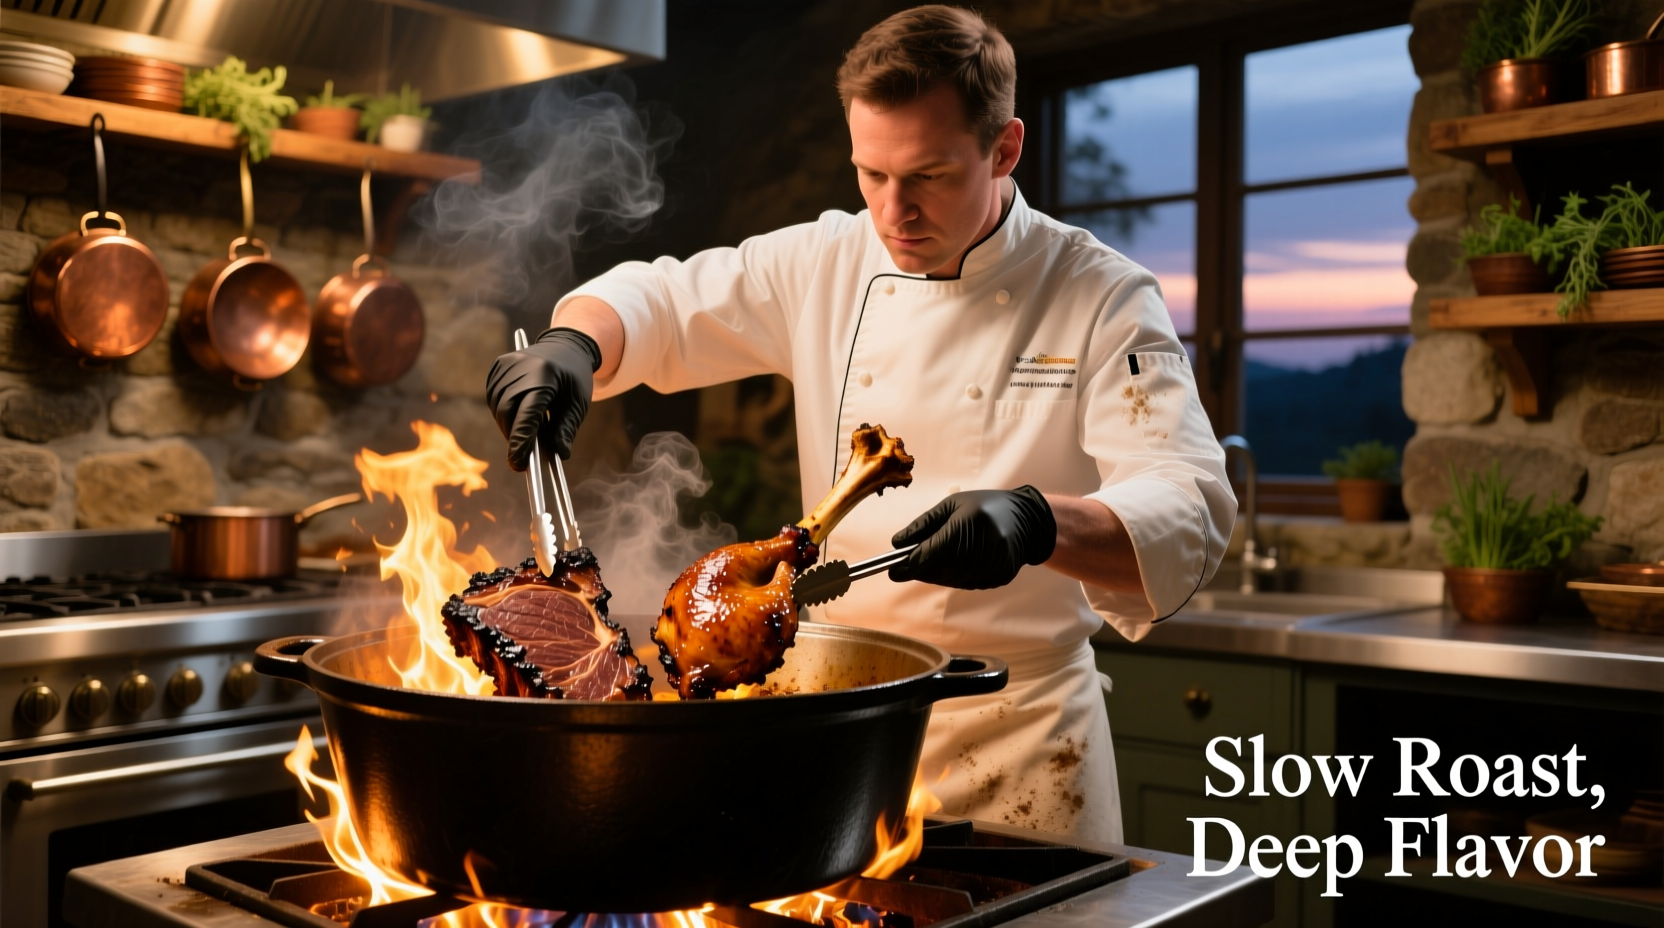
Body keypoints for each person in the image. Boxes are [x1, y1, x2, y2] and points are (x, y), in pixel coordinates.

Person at [486, 5, 1234, 845]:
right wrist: (575, 343)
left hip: (1021, 750)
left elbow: (1190, 504)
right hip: (844, 741)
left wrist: (1038, 522)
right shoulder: (829, 259)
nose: (893, 211)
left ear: (1005, 149)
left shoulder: (1101, 294)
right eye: (870, 174)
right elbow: (664, 298)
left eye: (930, 176)